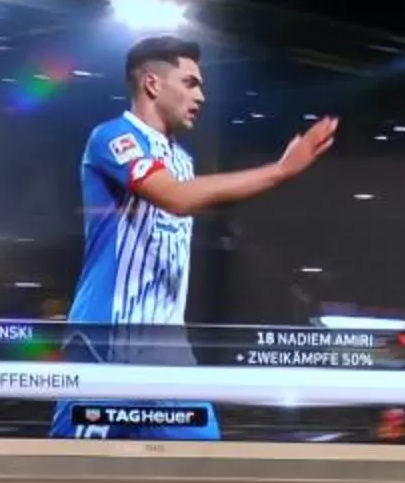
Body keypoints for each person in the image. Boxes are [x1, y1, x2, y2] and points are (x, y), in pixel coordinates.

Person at [68, 36, 338, 335]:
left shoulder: (182, 159)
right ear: (152, 85)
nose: (201, 97)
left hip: (168, 340)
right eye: (190, 83)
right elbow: (175, 197)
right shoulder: (114, 136)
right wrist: (281, 170)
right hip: (107, 333)